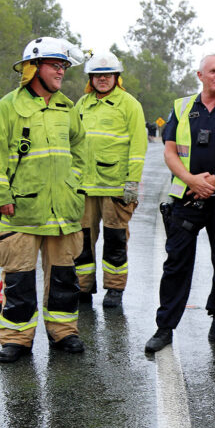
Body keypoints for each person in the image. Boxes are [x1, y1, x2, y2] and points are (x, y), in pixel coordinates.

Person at [0, 37, 86, 363]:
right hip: (21, 211)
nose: (61, 72)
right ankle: (17, 339)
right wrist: (1, 197)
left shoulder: (67, 108)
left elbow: (80, 153)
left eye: (64, 67)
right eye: (55, 65)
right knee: (19, 280)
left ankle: (64, 333)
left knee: (63, 277)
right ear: (34, 68)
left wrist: (75, 186)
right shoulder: (7, 108)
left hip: (62, 213)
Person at [145, 54, 215, 353]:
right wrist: (192, 180)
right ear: (200, 75)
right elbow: (169, 152)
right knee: (176, 263)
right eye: (212, 71)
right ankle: (164, 328)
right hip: (187, 198)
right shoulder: (182, 107)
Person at [73, 51, 147, 308]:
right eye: (97, 75)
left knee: (115, 240)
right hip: (83, 187)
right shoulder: (81, 104)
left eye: (108, 75)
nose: (103, 79)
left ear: (117, 77)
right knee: (81, 240)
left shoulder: (129, 105)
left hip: (116, 188)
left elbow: (138, 148)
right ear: (90, 79)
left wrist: (132, 183)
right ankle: (82, 288)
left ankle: (115, 288)